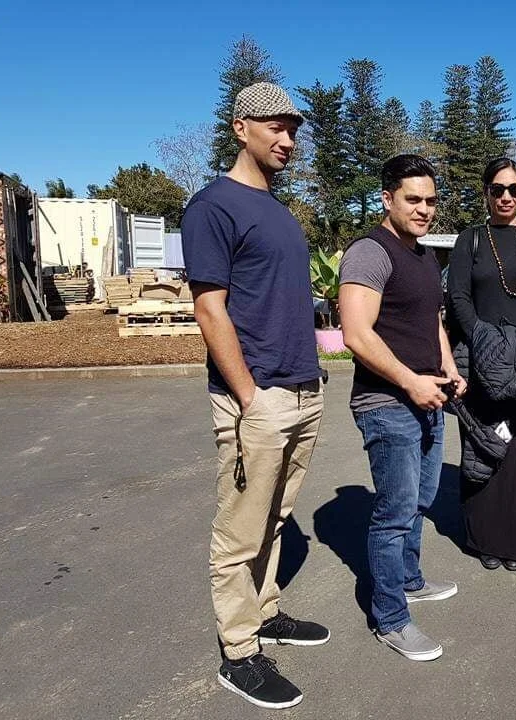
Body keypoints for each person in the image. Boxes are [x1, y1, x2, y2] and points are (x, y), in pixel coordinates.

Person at [182, 82, 328, 710]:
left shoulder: (277, 208)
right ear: (241, 128)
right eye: (274, 126)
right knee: (240, 530)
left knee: (276, 517)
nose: (287, 139)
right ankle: (239, 652)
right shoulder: (213, 207)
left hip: (302, 389)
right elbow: (209, 310)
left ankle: (265, 612)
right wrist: (249, 396)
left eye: (293, 129)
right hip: (258, 397)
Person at [339, 154, 466, 662]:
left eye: (431, 201)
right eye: (413, 199)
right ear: (387, 198)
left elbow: (431, 321)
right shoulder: (370, 253)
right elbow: (355, 333)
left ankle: (409, 580)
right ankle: (390, 617)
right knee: (394, 513)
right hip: (387, 402)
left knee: (420, 500)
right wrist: (411, 382)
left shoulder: (424, 256)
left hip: (428, 395)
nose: (424, 209)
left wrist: (448, 366)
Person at [447, 157, 516, 572]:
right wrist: (483, 338)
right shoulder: (470, 239)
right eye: (498, 189)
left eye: (514, 189)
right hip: (480, 362)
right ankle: (486, 540)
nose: (506, 197)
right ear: (486, 193)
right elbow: (458, 296)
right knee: (485, 447)